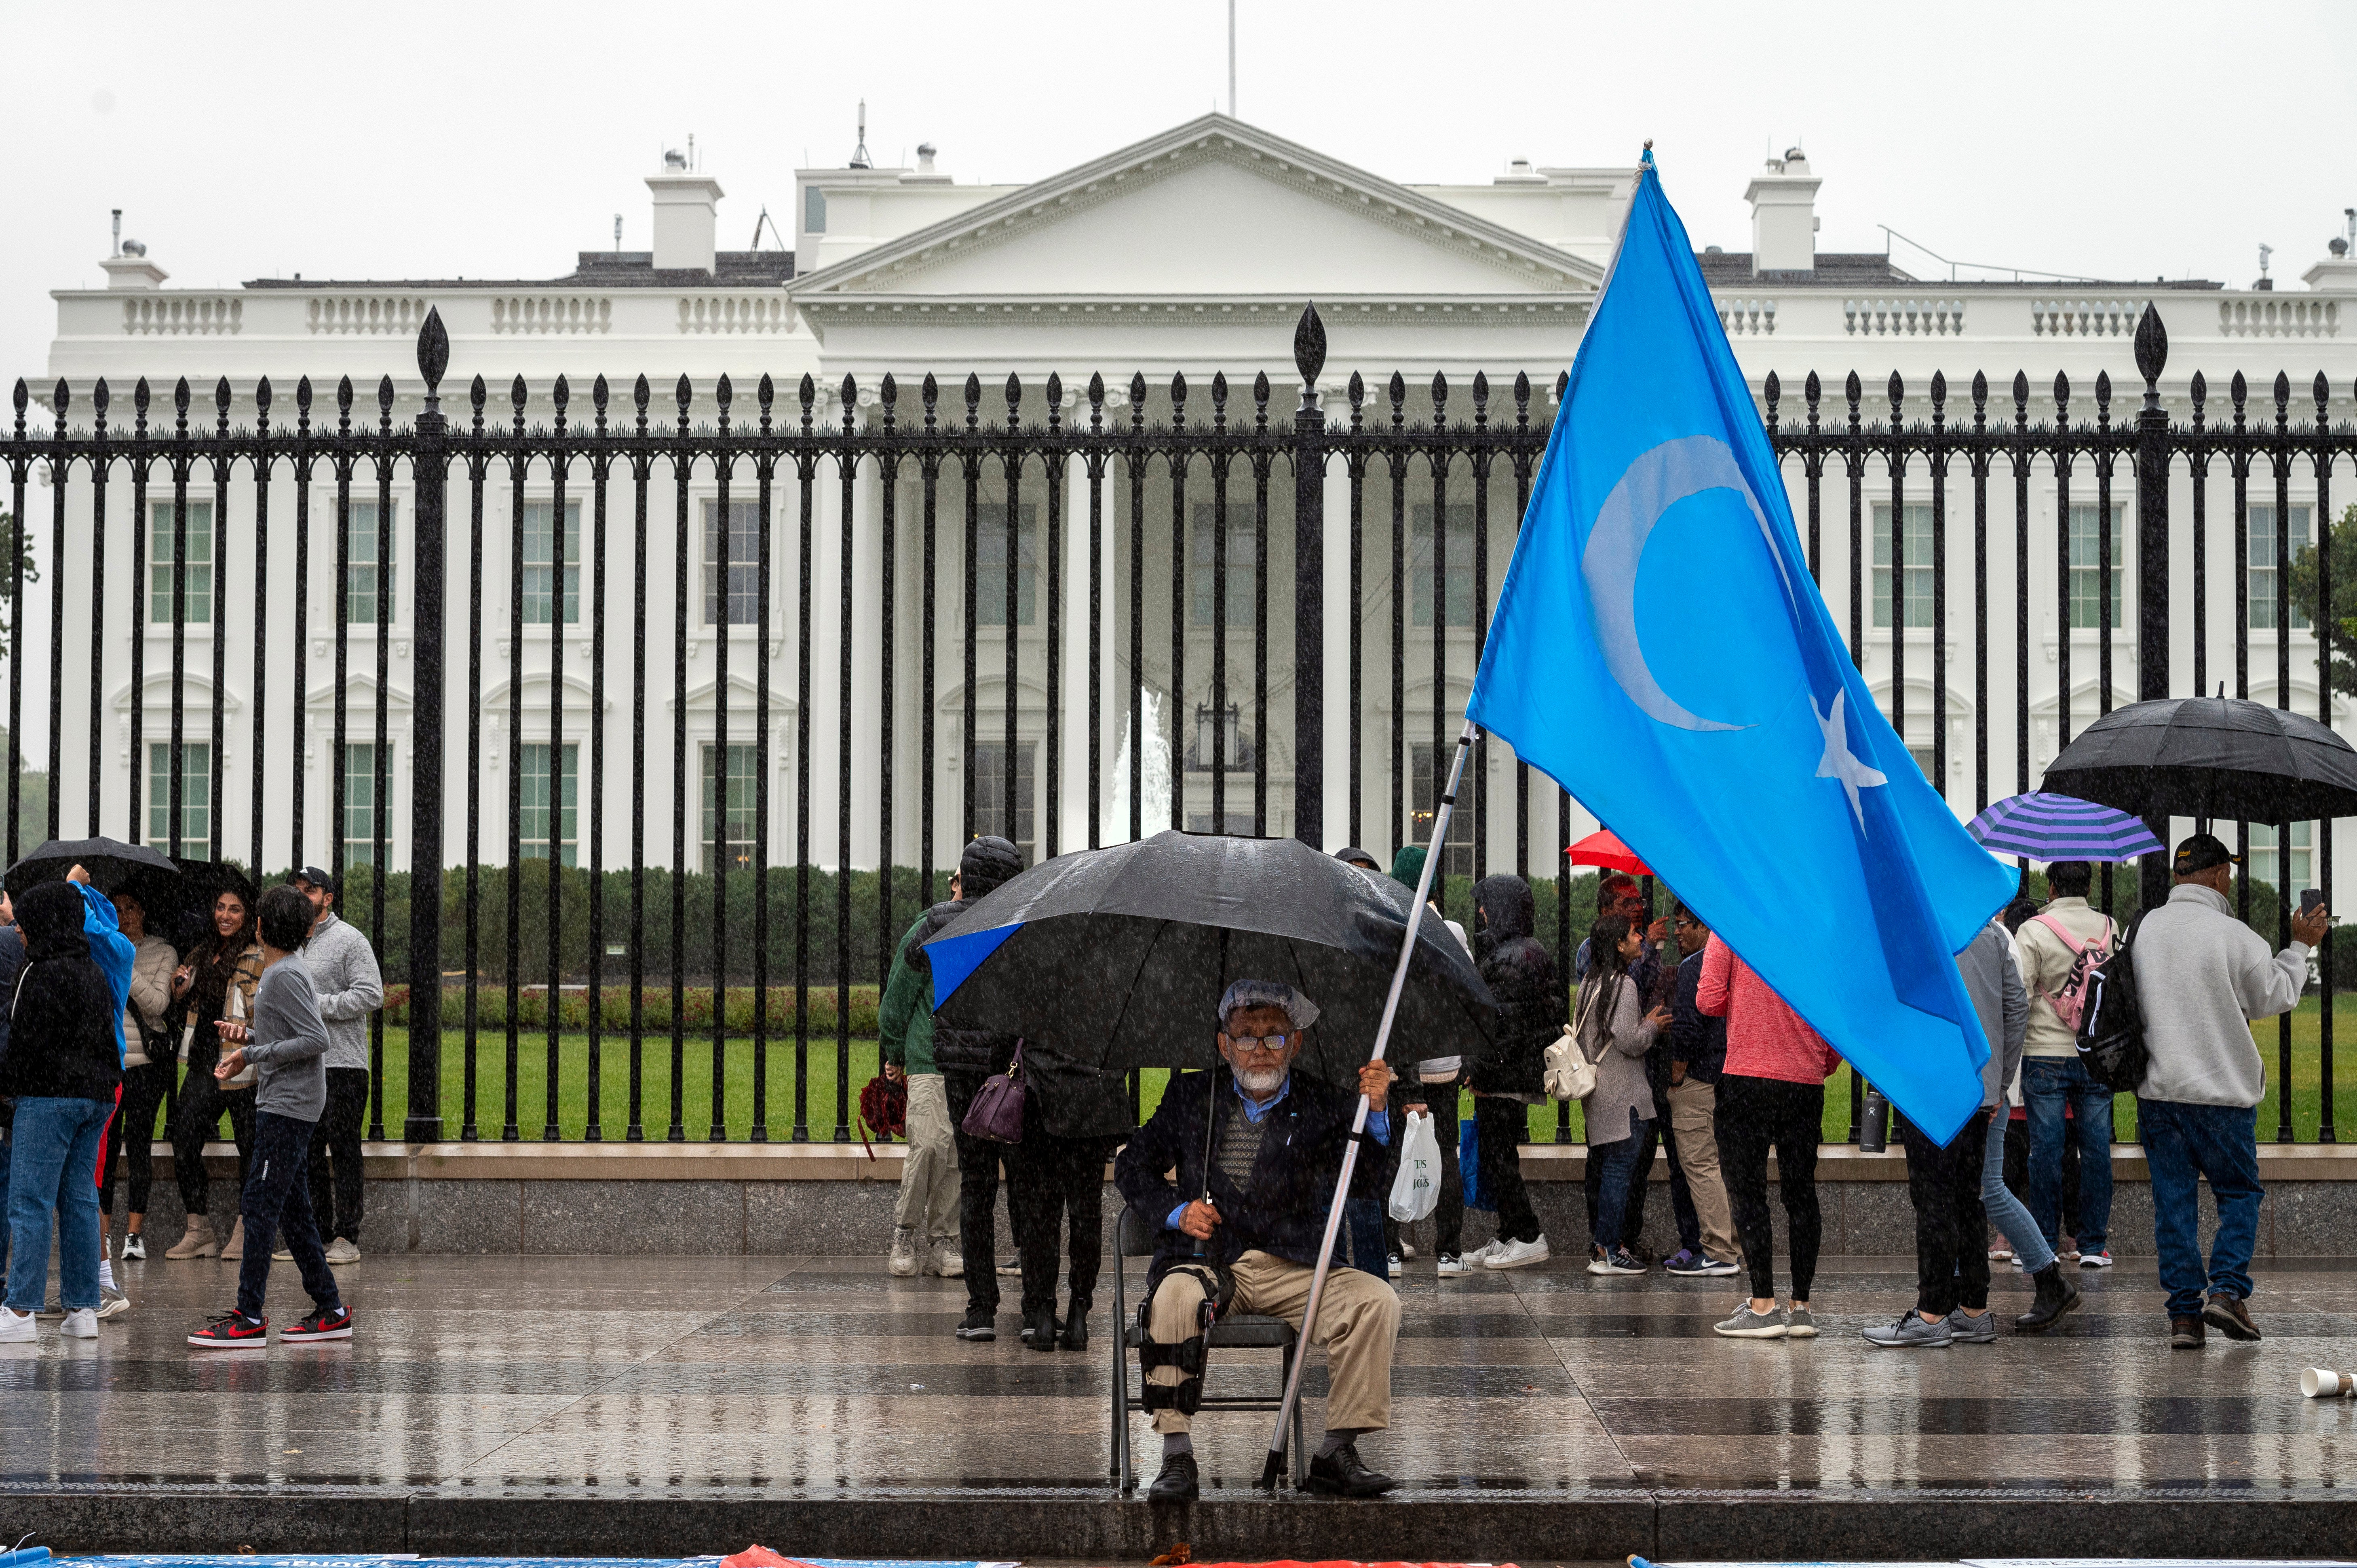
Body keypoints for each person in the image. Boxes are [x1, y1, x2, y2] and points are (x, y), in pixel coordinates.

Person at [1116, 978, 1401, 1502]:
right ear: (1224, 1044)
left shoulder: (1324, 1103)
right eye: (1245, 1036)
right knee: (1173, 1299)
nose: (1260, 1049)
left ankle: (1333, 1452)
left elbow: (1366, 1185)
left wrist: (1376, 1113)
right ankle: (1176, 1455)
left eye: (1274, 1036)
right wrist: (1178, 1212)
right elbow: (1131, 1167)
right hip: (1205, 1260)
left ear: (1295, 1043)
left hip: (1291, 1263)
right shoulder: (1190, 1097)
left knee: (1374, 1301)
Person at [2132, 832, 2325, 1348]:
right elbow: (2275, 995)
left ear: (2177, 876)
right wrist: (2301, 945)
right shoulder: (2232, 934)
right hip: (2220, 1095)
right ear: (2218, 876)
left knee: (2173, 1205)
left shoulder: (2144, 929)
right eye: (2229, 873)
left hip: (2158, 1093)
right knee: (2238, 1195)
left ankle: (2182, 1318)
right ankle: (2225, 1291)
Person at [188, 884, 352, 1347]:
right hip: (290, 1102)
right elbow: (291, 1030)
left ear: (259, 926)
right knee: (295, 1211)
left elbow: (315, 1039)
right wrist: (248, 1035)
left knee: (259, 1207)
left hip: (288, 1107)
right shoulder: (286, 970)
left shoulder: (282, 975)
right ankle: (331, 1308)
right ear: (305, 929)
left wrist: (253, 1051)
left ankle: (248, 1316)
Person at [1861, 915, 2034, 1347]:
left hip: (1929, 1089)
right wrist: (1998, 1080)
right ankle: (1973, 1309)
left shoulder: (1915, 927)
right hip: (1978, 1089)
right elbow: (2016, 1005)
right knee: (1965, 1198)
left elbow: (1890, 1006)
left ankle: (1931, 1313)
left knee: (1933, 1200)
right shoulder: (1991, 931)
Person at [897, 837, 1025, 1338]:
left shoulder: (941, 921)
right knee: (1024, 1184)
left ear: (967, 877)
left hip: (962, 1070)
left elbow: (912, 960)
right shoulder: (1020, 921)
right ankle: (1037, 1305)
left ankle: (981, 1308)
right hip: (1014, 1071)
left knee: (976, 1185)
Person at [1699, 929, 1842, 1339]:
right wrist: (1819, 1061)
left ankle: (1762, 1304)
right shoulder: (1813, 931)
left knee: (1748, 1192)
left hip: (1746, 1074)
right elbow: (1834, 1013)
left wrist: (1747, 1000)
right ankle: (1801, 1306)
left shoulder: (1730, 921)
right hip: (1804, 1080)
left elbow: (1707, 999)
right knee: (1800, 1193)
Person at [0, 881, 125, 1343]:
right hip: (96, 1097)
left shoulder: (38, 972)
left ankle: (19, 1310)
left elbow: (22, 1045)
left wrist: (8, 1092)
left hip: (47, 1098)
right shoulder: (92, 969)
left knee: (30, 1201)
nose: (20, 934)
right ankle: (83, 1308)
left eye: (24, 925)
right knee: (79, 1200)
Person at [2011, 859, 2118, 1271]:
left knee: (2045, 1151)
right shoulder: (2108, 928)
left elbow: (2018, 993)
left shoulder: (2033, 930)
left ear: (2051, 887)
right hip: (2093, 1054)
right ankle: (2092, 1243)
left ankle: (2042, 1243)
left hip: (2044, 1053)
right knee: (2095, 1151)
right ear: (2088, 885)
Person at [279, 868, 382, 1266]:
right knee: (307, 1150)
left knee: (343, 1148)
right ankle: (317, 1235)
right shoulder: (289, 944)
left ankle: (347, 1236)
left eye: (312, 889)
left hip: (343, 1063)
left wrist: (318, 1005)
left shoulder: (349, 939)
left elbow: (371, 993)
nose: (304, 896)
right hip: (302, 1063)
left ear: (329, 898)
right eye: (298, 890)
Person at [1009, 1042, 1129, 1351]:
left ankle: (1044, 1313)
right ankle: (1078, 1314)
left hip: (1044, 1097)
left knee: (1041, 1214)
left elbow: (1009, 1042)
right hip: (1091, 1100)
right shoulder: (1102, 996)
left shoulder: (1035, 995)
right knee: (1086, 1213)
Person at [1466, 874, 1560, 1270]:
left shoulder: (1510, 958)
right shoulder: (1520, 952)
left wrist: (1481, 1074)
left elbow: (1501, 1029)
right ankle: (1509, 1232)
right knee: (1498, 1154)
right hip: (1512, 1073)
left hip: (1503, 1077)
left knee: (1498, 1157)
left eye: (1486, 903)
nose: (1482, 911)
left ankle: (1526, 1233)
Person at [1387, 844, 1473, 1274]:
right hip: (1445, 1065)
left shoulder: (1391, 926)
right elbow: (1470, 995)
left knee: (1392, 1153)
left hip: (1402, 1065)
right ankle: (1449, 1250)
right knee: (1445, 1155)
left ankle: (1390, 1246)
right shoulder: (1452, 931)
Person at [165, 884, 263, 1261]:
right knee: (184, 1138)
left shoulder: (257, 955)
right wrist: (180, 987)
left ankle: (245, 1228)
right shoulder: (201, 952)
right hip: (205, 1060)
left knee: (249, 1148)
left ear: (247, 916)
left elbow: (262, 1006)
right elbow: (183, 1001)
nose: (225, 916)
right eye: (220, 908)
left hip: (241, 1061)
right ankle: (199, 1229)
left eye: (234, 910)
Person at [1574, 914, 1667, 1275]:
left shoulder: (1590, 982)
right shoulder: (1624, 985)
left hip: (1599, 1094)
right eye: (1633, 934)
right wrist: (1652, 1026)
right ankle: (1609, 1250)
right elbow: (1629, 1040)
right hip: (1623, 1095)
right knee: (1618, 1172)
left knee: (1606, 1168)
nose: (1640, 937)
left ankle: (1603, 1248)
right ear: (1618, 944)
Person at [878, 890, 962, 1281]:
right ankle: (905, 1233)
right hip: (929, 1057)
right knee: (927, 1146)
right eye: (958, 880)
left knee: (956, 1157)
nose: (961, 888)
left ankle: (943, 1240)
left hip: (970, 1059)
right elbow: (897, 997)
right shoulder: (928, 927)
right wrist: (895, 1055)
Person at [99, 885, 177, 1278]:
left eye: (131, 907)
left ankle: (135, 1233)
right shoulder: (101, 947)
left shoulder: (162, 951)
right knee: (107, 1150)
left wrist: (124, 963)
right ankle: (104, 1234)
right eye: (116, 908)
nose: (124, 914)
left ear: (143, 912)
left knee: (141, 1144)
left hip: (146, 1064)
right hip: (111, 1062)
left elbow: (158, 1005)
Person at [1662, 905, 1740, 1277]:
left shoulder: (1696, 967)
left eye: (1682, 925)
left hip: (1697, 1080)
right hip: (1731, 1076)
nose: (1677, 932)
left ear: (1703, 927)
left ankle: (1719, 1251)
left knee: (1701, 1165)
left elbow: (1688, 1029)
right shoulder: (1742, 961)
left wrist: (1676, 1076)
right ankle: (1732, 1245)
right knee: (1724, 1165)